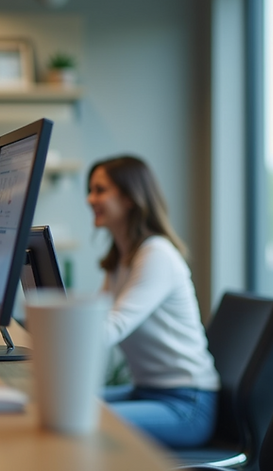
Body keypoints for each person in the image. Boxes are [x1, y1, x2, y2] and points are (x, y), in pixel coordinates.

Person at [86, 155, 219, 449]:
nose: (90, 198)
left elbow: (111, 328)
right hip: (146, 392)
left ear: (130, 197)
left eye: (100, 190)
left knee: (83, 421)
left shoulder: (156, 254)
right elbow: (94, 321)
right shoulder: (120, 260)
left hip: (187, 404)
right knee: (64, 408)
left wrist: (54, 342)